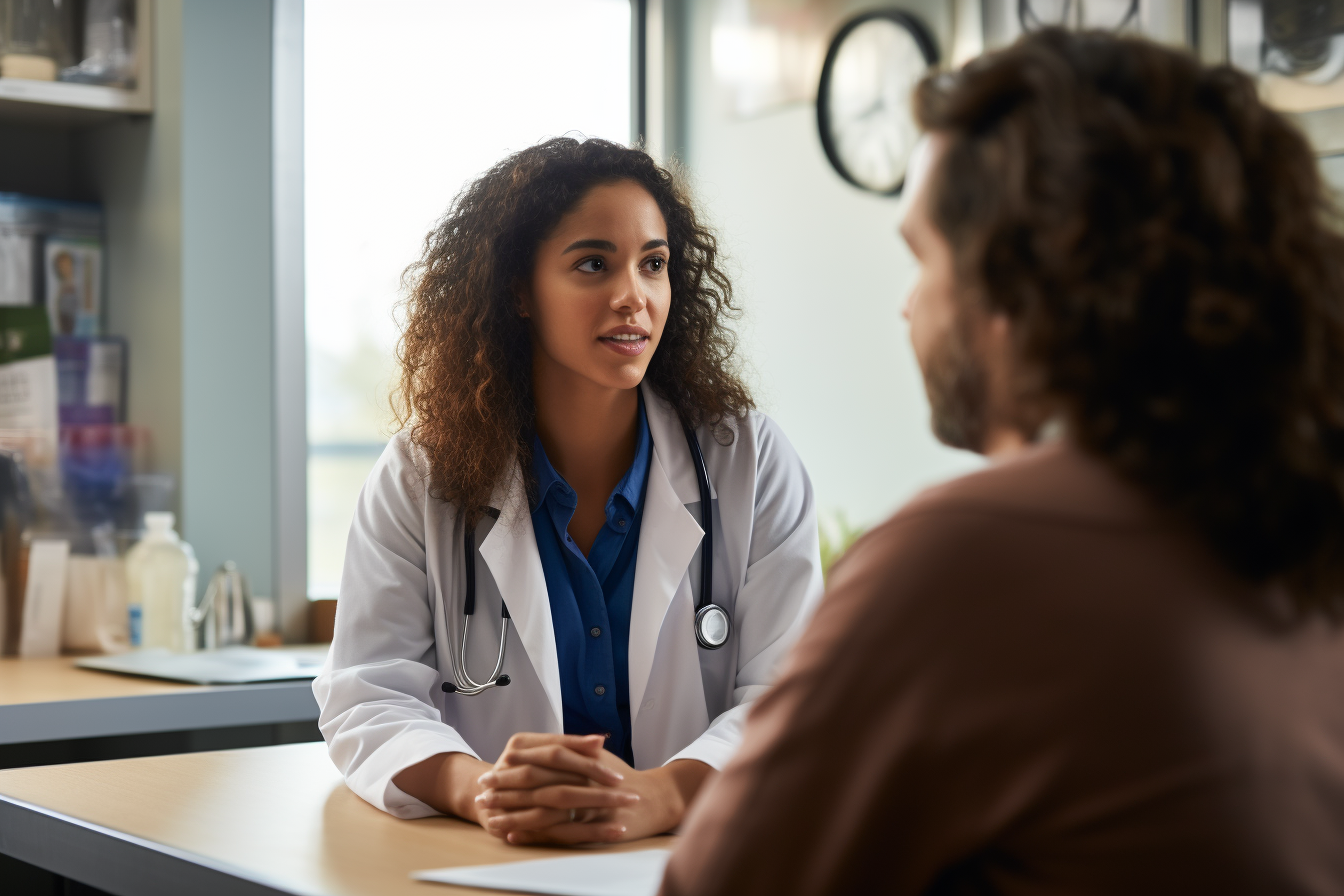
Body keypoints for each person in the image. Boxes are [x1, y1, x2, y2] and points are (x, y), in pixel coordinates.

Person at [661, 28, 1344, 894]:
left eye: (924, 257)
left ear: (1018, 282)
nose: (909, 307)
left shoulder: (974, 551)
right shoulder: (1302, 511)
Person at [314, 137, 823, 846]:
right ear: (519, 290)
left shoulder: (751, 462)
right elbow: (366, 697)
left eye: (653, 264)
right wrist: (482, 788)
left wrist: (665, 796)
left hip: (693, 863)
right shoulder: (420, 475)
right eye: (593, 264)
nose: (632, 298)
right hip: (500, 871)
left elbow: (792, 701)